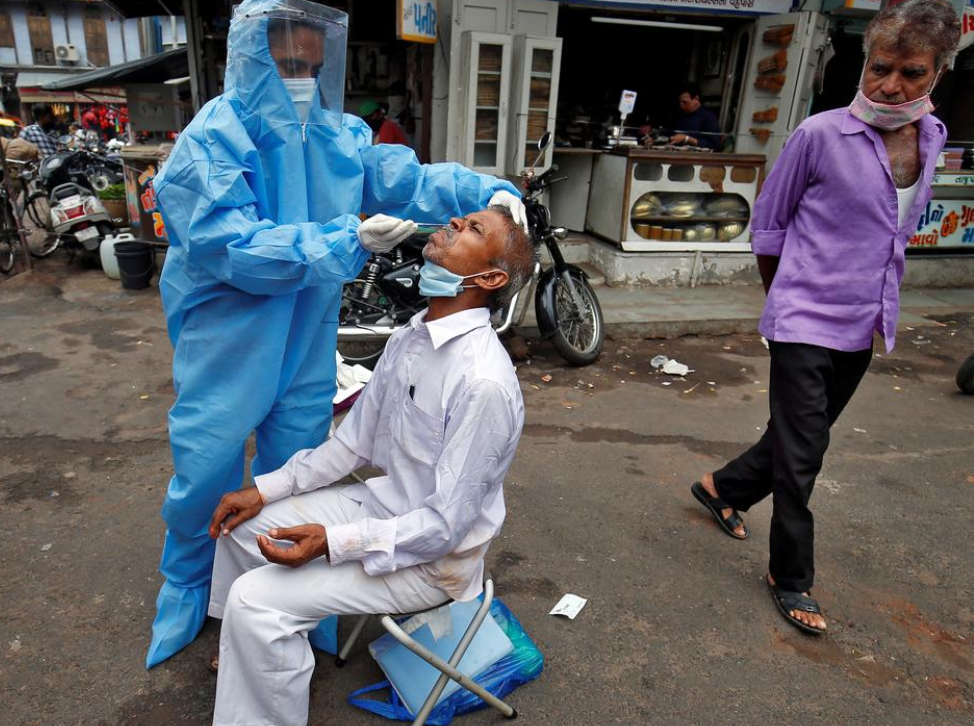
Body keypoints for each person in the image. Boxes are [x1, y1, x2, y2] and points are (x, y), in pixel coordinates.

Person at [147, 0, 526, 669]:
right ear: (254, 58)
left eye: (314, 67)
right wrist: (340, 237)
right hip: (230, 330)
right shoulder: (213, 139)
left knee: (296, 456)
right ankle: (186, 582)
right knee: (207, 463)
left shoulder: (336, 134)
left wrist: (484, 189)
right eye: (290, 65)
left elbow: (403, 179)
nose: (304, 80)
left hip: (308, 325)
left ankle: (293, 594)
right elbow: (228, 245)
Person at [205, 206, 534, 726]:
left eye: (472, 230)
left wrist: (333, 543)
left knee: (256, 599)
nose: (452, 225)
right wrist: (266, 492)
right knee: (242, 528)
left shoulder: (483, 382)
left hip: (430, 562)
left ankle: (261, 694)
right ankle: (251, 655)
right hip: (383, 507)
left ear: (489, 278)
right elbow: (352, 444)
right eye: (459, 219)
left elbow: (445, 528)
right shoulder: (411, 335)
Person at [690, 0, 959, 635]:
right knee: (804, 452)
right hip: (804, 317)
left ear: (937, 74)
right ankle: (792, 576)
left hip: (867, 320)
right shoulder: (819, 134)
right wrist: (783, 300)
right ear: (864, 63)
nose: (891, 85)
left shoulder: (932, 139)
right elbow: (769, 226)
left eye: (911, 73)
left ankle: (720, 488)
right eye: (880, 67)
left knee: (793, 436)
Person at [669, 83, 721, 150]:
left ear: (696, 99)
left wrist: (686, 138)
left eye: (684, 102)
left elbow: (713, 144)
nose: (681, 105)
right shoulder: (679, 115)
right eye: (680, 102)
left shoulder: (709, 117)